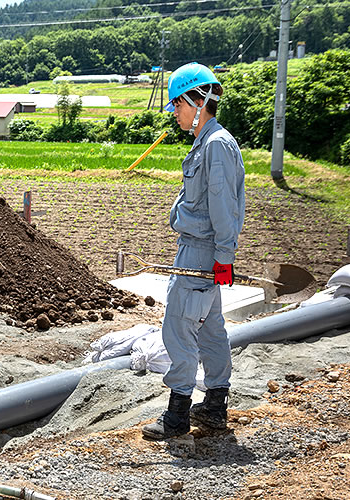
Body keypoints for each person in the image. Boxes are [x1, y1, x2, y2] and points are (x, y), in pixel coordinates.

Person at [142, 62, 246, 440]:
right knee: (212, 329)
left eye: (176, 104)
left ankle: (177, 417)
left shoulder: (215, 145)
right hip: (206, 251)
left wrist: (223, 258)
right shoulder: (211, 142)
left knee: (180, 327)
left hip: (200, 253)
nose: (174, 112)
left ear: (196, 100)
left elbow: (223, 207)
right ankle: (215, 405)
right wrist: (224, 258)